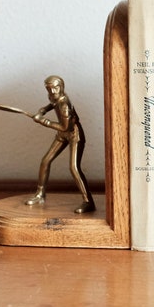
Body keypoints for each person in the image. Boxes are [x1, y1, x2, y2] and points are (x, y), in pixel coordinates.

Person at [26, 75, 95, 214]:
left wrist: (43, 121)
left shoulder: (64, 105)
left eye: (55, 88)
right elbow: (52, 104)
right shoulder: (55, 97)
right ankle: (40, 195)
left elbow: (65, 127)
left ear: (61, 87)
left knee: (74, 168)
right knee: (45, 161)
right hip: (63, 135)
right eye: (49, 89)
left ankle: (88, 202)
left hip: (74, 135)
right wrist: (43, 110)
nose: (52, 92)